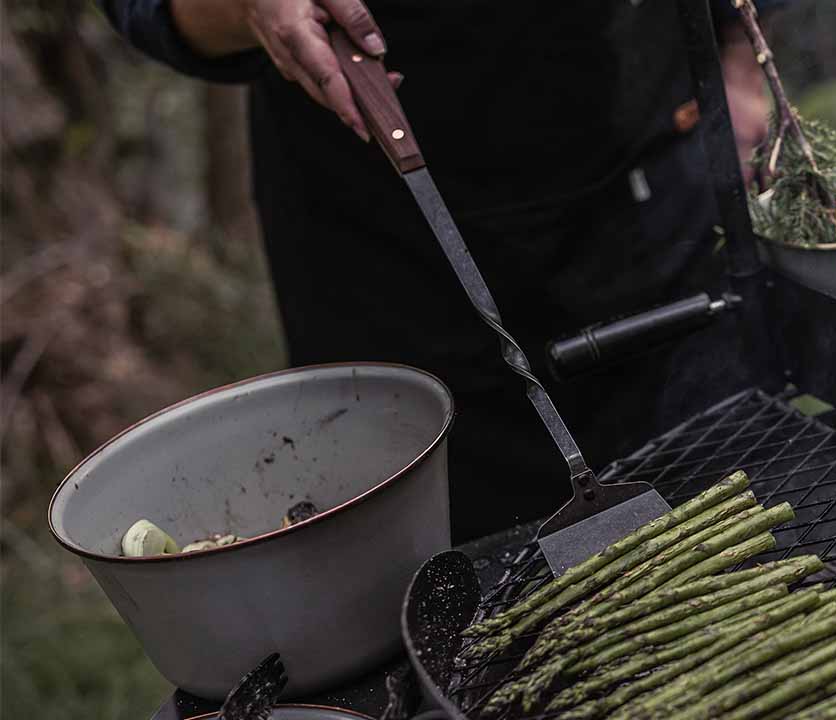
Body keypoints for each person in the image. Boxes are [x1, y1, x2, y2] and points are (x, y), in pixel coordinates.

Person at [96, 0, 780, 541]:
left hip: (657, 194)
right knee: (474, 609)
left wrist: (741, 52)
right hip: (392, 258)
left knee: (753, 518)